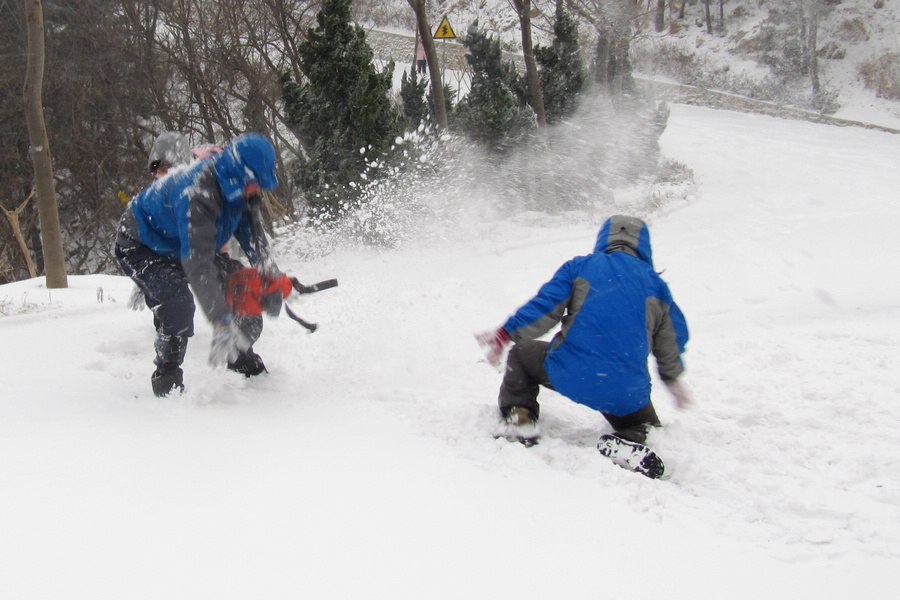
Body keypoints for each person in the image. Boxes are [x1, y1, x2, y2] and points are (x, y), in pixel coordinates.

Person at [476, 215, 691, 478]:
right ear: (644, 246)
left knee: (521, 355)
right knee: (646, 424)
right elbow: (672, 341)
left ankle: (519, 417)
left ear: (604, 239)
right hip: (623, 391)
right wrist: (672, 378)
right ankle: (630, 439)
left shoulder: (580, 267)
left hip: (569, 373)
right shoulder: (657, 288)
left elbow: (545, 307)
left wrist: (506, 332)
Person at [115, 132, 282, 397]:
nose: (258, 190)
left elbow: (252, 234)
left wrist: (271, 276)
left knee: (243, 286)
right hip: (144, 245)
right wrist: (220, 320)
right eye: (255, 183)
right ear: (240, 175)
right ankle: (166, 377)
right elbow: (198, 265)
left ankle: (238, 355)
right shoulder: (198, 193)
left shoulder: (240, 190)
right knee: (177, 302)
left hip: (188, 241)